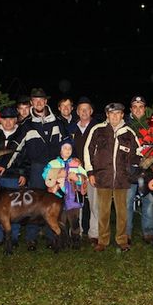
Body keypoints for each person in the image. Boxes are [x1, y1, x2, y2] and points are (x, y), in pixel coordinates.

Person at [6, 88, 63, 250]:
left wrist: (70, 162)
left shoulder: (57, 121)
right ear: (31, 103)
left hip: (53, 167)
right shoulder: (26, 124)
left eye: (41, 100)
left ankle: (52, 237)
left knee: (52, 202)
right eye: (35, 100)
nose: (38, 103)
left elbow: (67, 143)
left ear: (46, 102)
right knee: (33, 204)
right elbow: (15, 147)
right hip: (36, 168)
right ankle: (31, 238)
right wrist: (4, 165)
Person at [84, 102, 141, 252]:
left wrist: (133, 169)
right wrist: (90, 172)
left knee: (122, 212)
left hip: (122, 179)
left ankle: (122, 240)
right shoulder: (98, 130)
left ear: (122, 115)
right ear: (107, 115)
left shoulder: (129, 132)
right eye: (112, 113)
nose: (115, 116)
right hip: (103, 177)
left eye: (118, 113)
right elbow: (87, 151)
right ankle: (103, 241)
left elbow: (138, 153)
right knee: (103, 211)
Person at [0, 106, 27, 248]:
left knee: (14, 208)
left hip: (13, 176)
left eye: (11, 119)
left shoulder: (21, 136)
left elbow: (26, 157)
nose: (8, 122)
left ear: (15, 120)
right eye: (5, 119)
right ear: (0, 120)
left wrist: (23, 173)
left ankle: (13, 237)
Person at [43, 137, 87, 247]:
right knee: (59, 218)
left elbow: (84, 177)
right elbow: (45, 175)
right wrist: (58, 174)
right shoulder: (53, 163)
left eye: (70, 149)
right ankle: (61, 239)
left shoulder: (75, 163)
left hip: (73, 196)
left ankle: (75, 238)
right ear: (60, 150)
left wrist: (77, 178)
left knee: (74, 219)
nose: (67, 150)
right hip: (58, 197)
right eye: (65, 148)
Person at [66, 96, 99, 243]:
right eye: (81, 109)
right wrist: (72, 160)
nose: (84, 112)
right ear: (77, 112)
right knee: (75, 203)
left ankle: (94, 234)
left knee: (94, 203)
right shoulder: (71, 128)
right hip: (76, 171)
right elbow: (65, 148)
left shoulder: (99, 127)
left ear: (91, 111)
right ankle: (75, 232)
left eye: (87, 109)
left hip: (94, 171)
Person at [124, 96, 153, 243]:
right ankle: (126, 233)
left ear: (145, 108)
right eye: (135, 106)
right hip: (129, 170)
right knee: (127, 201)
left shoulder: (152, 125)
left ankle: (148, 232)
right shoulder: (124, 125)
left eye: (141, 106)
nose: (138, 109)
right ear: (131, 109)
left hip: (147, 170)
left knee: (148, 200)